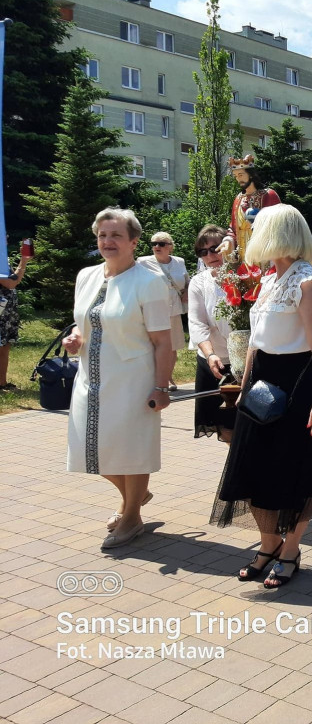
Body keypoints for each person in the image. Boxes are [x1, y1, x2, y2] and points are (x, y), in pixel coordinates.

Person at [211, 204, 312, 589]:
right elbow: (255, 344)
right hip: (262, 384)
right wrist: (242, 386)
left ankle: (290, 549)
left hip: (298, 385)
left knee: (297, 472)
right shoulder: (268, 279)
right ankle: (269, 544)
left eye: (258, 228)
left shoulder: (308, 282)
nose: (251, 236)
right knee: (251, 467)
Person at [64, 208, 173, 549]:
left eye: (116, 236)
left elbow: (163, 342)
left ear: (134, 242)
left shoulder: (150, 281)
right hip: (90, 378)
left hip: (132, 379)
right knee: (88, 448)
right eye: (102, 236)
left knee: (131, 449)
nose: (107, 242)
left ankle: (131, 519)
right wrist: (75, 340)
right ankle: (135, 495)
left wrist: (161, 386)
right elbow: (86, 323)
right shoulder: (86, 276)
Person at [187, 225, 235, 442]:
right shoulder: (199, 282)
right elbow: (196, 323)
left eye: (215, 248)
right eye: (203, 252)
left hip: (244, 361)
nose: (210, 255)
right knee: (223, 428)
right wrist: (210, 355)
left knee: (246, 422)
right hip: (213, 362)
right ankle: (238, 471)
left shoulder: (245, 276)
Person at [139, 231, 188, 390]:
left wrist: (187, 291)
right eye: (154, 244)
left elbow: (187, 281)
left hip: (174, 310)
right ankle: (155, 379)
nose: (156, 247)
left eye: (161, 243)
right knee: (154, 346)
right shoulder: (143, 262)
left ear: (170, 247)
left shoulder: (179, 262)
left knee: (172, 347)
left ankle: (167, 378)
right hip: (153, 310)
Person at [217, 154, 281, 261]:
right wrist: (228, 241)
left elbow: (279, 227)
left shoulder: (269, 195)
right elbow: (233, 229)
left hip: (264, 256)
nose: (238, 179)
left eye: (241, 175)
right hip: (243, 255)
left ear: (251, 175)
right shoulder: (238, 199)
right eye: (236, 176)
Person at [0, 249, 31, 390]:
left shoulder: (3, 260)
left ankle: (2, 383)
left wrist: (23, 261)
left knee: (5, 345)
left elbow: (16, 280)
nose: (6, 238)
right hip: (1, 311)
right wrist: (23, 261)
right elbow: (10, 283)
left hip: (6, 311)